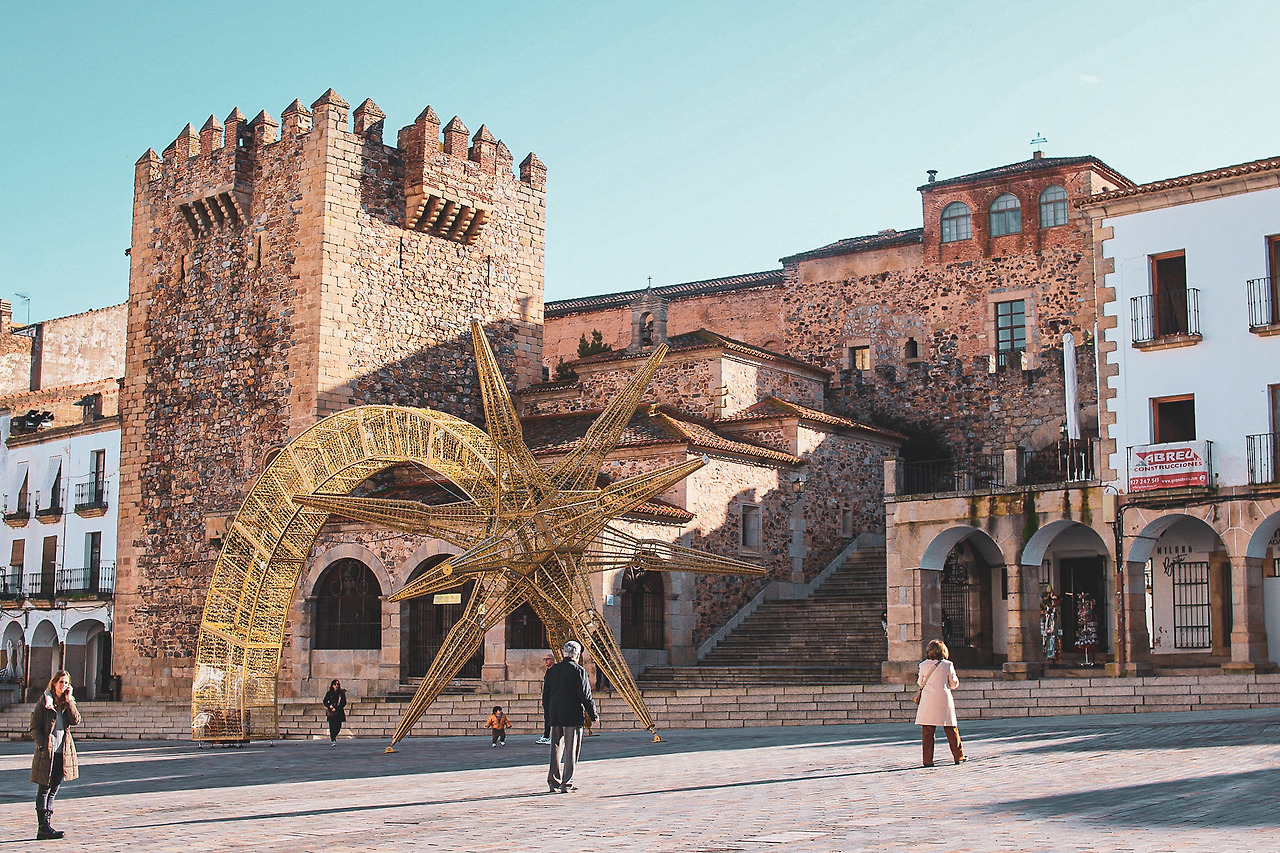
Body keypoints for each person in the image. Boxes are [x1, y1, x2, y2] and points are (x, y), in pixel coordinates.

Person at [30, 670, 80, 840]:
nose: (63, 685)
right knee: (44, 788)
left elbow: (75, 720)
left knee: (54, 788)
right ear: (54, 683)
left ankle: (47, 824)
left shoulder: (67, 702)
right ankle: (42, 827)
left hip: (63, 752)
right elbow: (34, 726)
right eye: (60, 682)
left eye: (66, 683)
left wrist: (70, 700)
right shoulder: (45, 701)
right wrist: (41, 744)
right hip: (47, 752)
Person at [543, 640, 597, 793]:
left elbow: (545, 695)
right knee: (571, 749)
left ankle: (553, 781)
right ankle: (567, 783)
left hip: (555, 714)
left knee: (555, 749)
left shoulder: (553, 670)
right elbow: (585, 695)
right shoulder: (579, 670)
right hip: (572, 715)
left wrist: (548, 715)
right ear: (577, 655)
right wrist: (593, 715)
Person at [914, 639, 966, 768]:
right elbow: (954, 684)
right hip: (943, 699)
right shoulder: (948, 665)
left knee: (927, 731)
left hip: (927, 700)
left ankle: (927, 760)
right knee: (951, 728)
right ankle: (958, 756)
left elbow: (920, 683)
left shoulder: (923, 665)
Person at [535, 652, 555, 744]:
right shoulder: (548, 671)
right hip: (547, 699)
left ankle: (551, 736)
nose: (546, 661)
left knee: (551, 718)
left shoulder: (554, 671)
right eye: (545, 659)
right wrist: (543, 699)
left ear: (553, 660)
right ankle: (546, 735)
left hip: (552, 698)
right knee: (547, 718)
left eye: (548, 659)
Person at [323, 679, 347, 745]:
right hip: (331, 712)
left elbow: (343, 703)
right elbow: (325, 701)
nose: (336, 686)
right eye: (335, 684)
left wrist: (336, 708)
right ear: (332, 685)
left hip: (339, 712)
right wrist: (329, 706)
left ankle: (334, 736)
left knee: (338, 727)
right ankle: (333, 739)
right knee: (332, 726)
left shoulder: (341, 694)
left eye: (337, 684)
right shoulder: (329, 693)